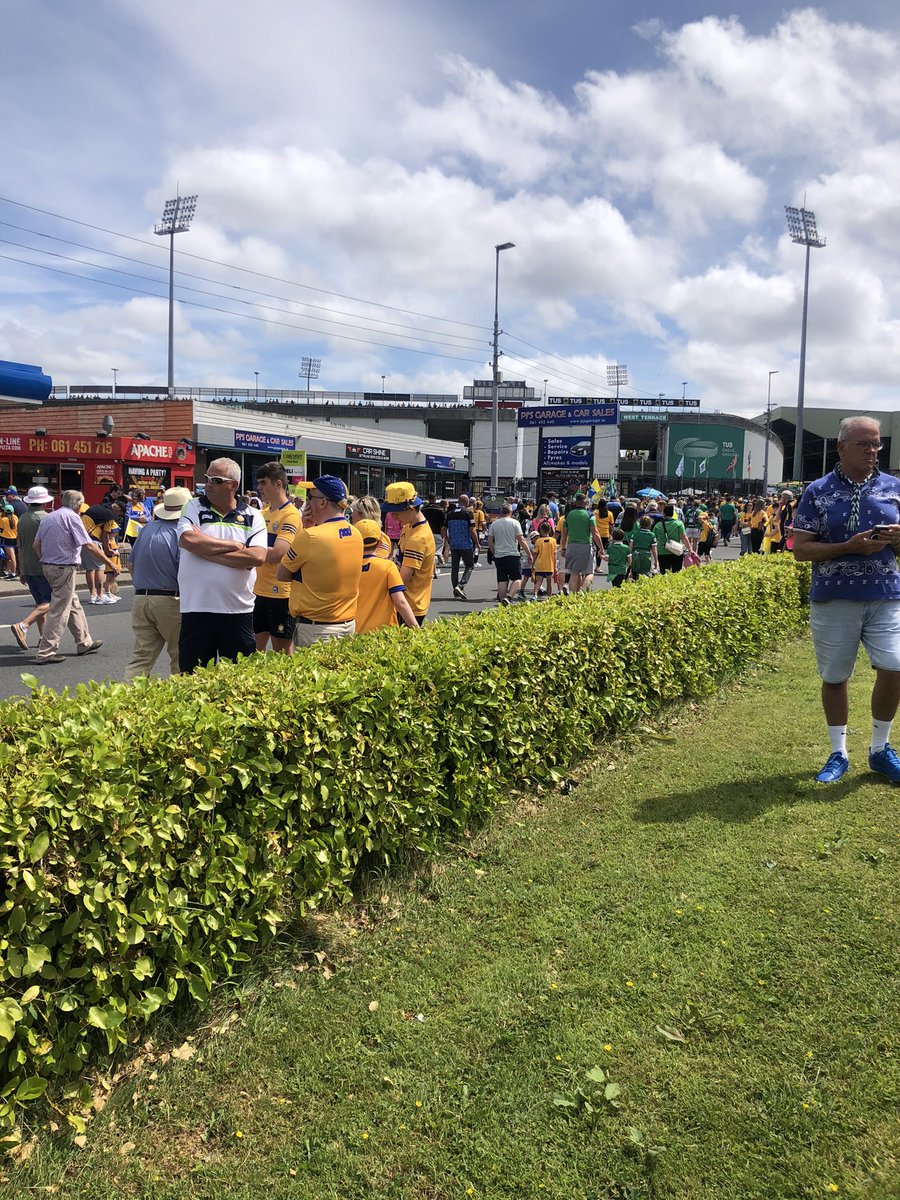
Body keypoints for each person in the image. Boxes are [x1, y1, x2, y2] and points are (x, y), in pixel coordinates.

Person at [792, 416, 900, 784]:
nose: (872, 451)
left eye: (876, 445)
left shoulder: (894, 488)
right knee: (836, 676)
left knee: (895, 665)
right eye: (864, 444)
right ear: (841, 447)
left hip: (886, 594)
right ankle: (838, 752)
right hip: (834, 597)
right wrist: (847, 547)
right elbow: (801, 550)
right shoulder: (817, 491)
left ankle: (880, 749)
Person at [176, 458, 267, 672]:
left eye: (216, 480)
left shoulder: (253, 516)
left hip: (238, 611)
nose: (208, 484)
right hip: (196, 609)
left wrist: (206, 552)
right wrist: (234, 546)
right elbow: (188, 541)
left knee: (240, 682)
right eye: (207, 479)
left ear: (233, 485)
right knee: (193, 682)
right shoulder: (193, 506)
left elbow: (257, 557)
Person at [32, 490, 118, 664]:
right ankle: (46, 651)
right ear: (79, 505)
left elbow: (36, 545)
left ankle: (84, 642)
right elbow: (89, 545)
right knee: (59, 611)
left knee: (73, 604)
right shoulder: (72, 518)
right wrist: (110, 563)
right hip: (64, 567)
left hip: (49, 566)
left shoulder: (49, 517)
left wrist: (46, 560)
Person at [277, 475, 364, 645]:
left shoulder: (310, 536)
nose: (307, 503)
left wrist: (306, 528)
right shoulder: (356, 533)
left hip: (315, 629)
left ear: (323, 502)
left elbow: (282, 574)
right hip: (347, 624)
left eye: (311, 498)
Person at [124, 486, 192, 681]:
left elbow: (130, 564)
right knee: (181, 657)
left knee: (141, 658)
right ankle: (181, 704)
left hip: (141, 597)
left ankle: (123, 702)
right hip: (170, 598)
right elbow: (185, 572)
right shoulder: (181, 534)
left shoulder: (147, 529)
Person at [252, 461, 301, 654]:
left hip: (280, 593)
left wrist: (251, 553)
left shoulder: (291, 515)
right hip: (257, 591)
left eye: (263, 483)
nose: (259, 488)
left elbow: (279, 553)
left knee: (282, 652)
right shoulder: (261, 513)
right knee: (254, 651)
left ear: (278, 484)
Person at [383, 481, 435, 624]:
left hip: (409, 604)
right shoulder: (409, 526)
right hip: (408, 600)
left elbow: (403, 578)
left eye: (396, 513)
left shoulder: (418, 538)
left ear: (411, 508)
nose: (393, 518)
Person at [354, 519, 419, 633]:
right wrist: (416, 629)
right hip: (384, 631)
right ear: (379, 543)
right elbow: (400, 602)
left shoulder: (348, 568)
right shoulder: (388, 566)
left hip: (355, 630)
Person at [9, 486, 53, 652]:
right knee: (51, 601)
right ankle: (23, 625)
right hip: (42, 565)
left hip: (27, 564)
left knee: (40, 602)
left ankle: (43, 637)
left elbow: (19, 545)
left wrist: (20, 569)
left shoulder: (22, 519)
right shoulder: (46, 518)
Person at [488, 503, 533, 605]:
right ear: (511, 512)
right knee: (517, 578)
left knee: (502, 580)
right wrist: (529, 553)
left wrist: (494, 552)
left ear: (501, 512)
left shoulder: (494, 524)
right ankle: (508, 597)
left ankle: (502, 601)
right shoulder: (515, 523)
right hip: (512, 554)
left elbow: (490, 541)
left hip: (499, 555)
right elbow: (521, 539)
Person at [559, 493, 604, 593]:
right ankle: (582, 592)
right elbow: (595, 532)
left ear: (575, 502)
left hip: (571, 546)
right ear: (586, 503)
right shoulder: (590, 515)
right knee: (589, 572)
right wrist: (601, 547)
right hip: (585, 546)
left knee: (574, 573)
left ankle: (573, 596)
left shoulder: (568, 515)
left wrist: (563, 548)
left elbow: (564, 534)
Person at [443, 494, 479, 600]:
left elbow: (444, 528)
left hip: (454, 544)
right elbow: (472, 530)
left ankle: (455, 589)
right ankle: (461, 585)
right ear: (467, 502)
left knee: (455, 567)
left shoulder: (450, 514)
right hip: (465, 544)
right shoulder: (468, 513)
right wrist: (477, 542)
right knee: (470, 565)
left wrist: (447, 539)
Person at [654, 503, 690, 574]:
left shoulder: (658, 525)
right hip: (676, 550)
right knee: (676, 572)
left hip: (662, 551)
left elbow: (654, 538)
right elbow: (683, 537)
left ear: (663, 514)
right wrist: (690, 548)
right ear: (673, 514)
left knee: (664, 573)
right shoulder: (679, 524)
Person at [421, 494, 446, 577]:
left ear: (428, 499)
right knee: (435, 551)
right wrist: (444, 535)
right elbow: (443, 524)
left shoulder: (423, 509)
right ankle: (436, 561)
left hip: (426, 532)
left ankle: (433, 570)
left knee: (428, 551)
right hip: (437, 532)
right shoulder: (440, 509)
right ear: (435, 499)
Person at [532, 521, 558, 598]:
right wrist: (555, 566)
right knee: (549, 582)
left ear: (540, 530)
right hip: (549, 565)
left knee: (538, 582)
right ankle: (549, 597)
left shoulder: (538, 541)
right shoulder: (553, 541)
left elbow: (535, 554)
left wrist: (533, 564)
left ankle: (535, 595)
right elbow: (554, 554)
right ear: (550, 530)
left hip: (540, 565)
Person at [0, 503, 18, 579]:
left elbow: (1, 529)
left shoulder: (3, 520)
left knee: (11, 557)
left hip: (7, 539)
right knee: (10, 556)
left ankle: (13, 573)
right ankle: (7, 571)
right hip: (14, 538)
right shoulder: (16, 518)